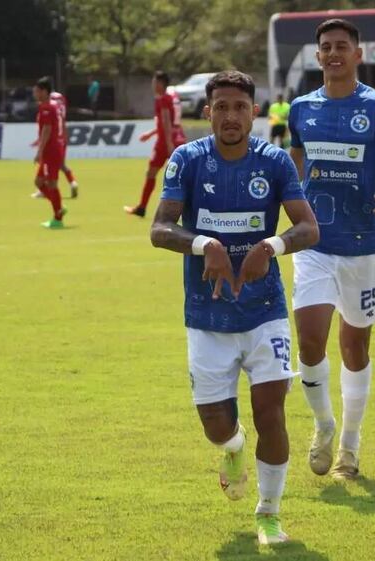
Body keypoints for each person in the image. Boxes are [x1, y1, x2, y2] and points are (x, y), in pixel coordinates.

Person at [150, 70, 319, 544]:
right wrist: (206, 244)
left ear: (255, 113)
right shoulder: (187, 160)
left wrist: (273, 245)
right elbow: (160, 228)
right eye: (221, 107)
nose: (230, 116)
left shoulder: (274, 162)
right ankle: (233, 448)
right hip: (207, 317)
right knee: (216, 427)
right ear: (207, 112)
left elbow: (308, 228)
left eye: (239, 107)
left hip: (265, 312)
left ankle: (269, 513)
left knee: (272, 413)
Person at [288, 19, 375, 481]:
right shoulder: (301, 108)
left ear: (358, 54)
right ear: (318, 55)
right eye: (325, 47)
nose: (333, 54)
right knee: (309, 339)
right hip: (315, 243)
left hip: (364, 245)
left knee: (355, 347)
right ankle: (323, 425)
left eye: (341, 46)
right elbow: (297, 162)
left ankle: (350, 444)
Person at [125, 71, 181, 218]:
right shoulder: (170, 97)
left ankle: (142, 207)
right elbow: (166, 123)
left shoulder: (162, 99)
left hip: (165, 143)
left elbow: (166, 121)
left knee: (152, 173)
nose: (153, 85)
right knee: (180, 175)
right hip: (174, 138)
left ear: (161, 84)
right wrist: (150, 134)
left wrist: (168, 144)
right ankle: (142, 207)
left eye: (155, 82)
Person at [32, 77, 67, 229]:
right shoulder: (52, 106)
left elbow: (47, 130)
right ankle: (58, 205)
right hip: (52, 148)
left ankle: (58, 218)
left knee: (51, 183)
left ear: (45, 92)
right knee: (39, 182)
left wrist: (39, 151)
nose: (35, 94)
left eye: (37, 91)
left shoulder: (47, 107)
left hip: (51, 150)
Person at [31, 90, 79, 199]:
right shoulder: (59, 108)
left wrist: (40, 143)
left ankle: (46, 192)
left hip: (53, 141)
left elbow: (47, 128)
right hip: (62, 139)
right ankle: (72, 182)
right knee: (60, 164)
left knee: (47, 163)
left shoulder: (49, 108)